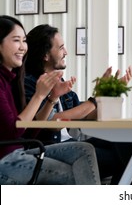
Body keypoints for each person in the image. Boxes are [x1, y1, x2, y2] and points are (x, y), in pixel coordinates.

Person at [23, 24, 132, 185]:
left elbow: (87, 116)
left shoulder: (61, 82)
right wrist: (96, 98)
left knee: (128, 139)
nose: (66, 52)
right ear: (45, 55)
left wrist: (109, 94)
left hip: (71, 145)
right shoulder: (29, 84)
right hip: (50, 148)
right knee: (127, 158)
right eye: (61, 48)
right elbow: (53, 122)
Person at [0, 15, 100, 185]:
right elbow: (14, 131)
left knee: (85, 149)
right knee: (77, 174)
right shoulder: (10, 81)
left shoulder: (13, 79)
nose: (23, 47)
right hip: (6, 159)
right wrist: (39, 95)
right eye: (16, 40)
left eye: (24, 41)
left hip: (20, 151)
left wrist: (51, 97)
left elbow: (29, 131)